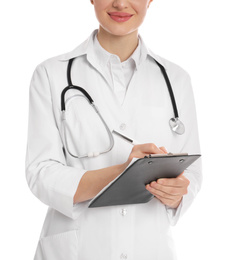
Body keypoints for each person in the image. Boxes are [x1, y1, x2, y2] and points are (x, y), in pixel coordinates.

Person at [26, 0, 202, 259]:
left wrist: (177, 193)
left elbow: (193, 172)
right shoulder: (51, 74)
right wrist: (123, 172)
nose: (120, 3)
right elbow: (40, 173)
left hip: (149, 247)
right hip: (80, 249)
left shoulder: (177, 80)